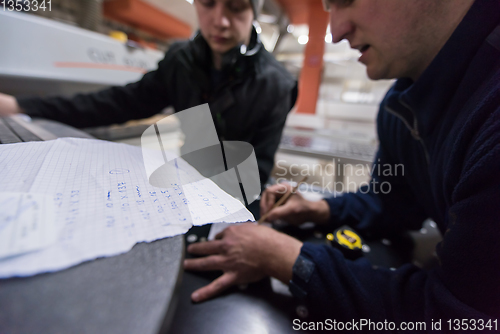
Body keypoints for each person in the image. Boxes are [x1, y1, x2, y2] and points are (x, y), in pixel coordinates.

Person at [183, 0, 500, 325]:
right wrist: (319, 209)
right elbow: (392, 204)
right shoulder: (400, 106)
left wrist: (286, 258)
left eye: (345, 1)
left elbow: (461, 316)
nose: (335, 32)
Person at [0, 0, 297, 189]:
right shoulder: (181, 61)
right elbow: (114, 104)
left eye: (235, 7)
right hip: (184, 183)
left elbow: (254, 174)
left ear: (253, 12)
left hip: (233, 198)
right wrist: (20, 104)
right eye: (208, 3)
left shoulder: (276, 85)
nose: (219, 20)